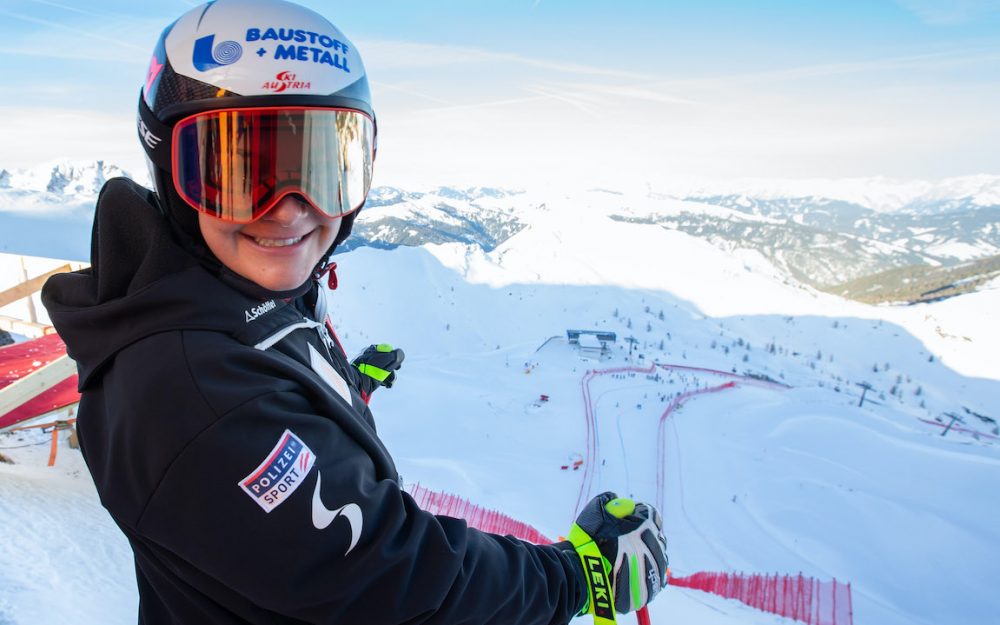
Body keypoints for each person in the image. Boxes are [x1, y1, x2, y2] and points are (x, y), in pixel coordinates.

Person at [42, 1, 668, 623]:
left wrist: (346, 383)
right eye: (237, 173)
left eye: (320, 168)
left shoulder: (224, 293)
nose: (288, 209)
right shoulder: (190, 391)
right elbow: (395, 581)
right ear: (171, 174)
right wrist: (576, 578)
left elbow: (258, 394)